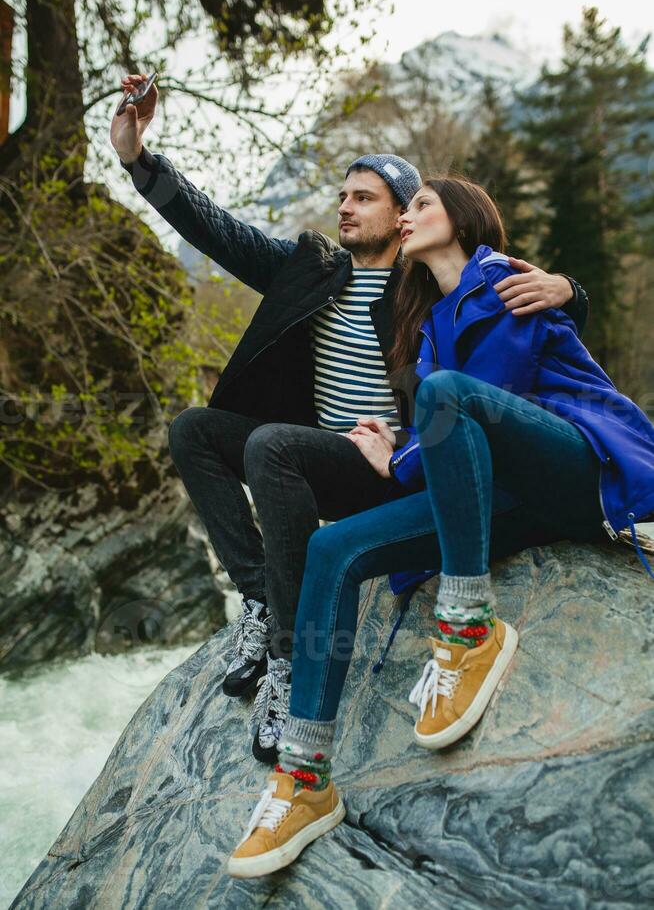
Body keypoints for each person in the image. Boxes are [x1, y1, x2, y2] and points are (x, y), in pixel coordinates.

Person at [111, 74, 587, 762]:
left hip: (393, 467)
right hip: (315, 457)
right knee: (193, 430)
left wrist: (572, 289)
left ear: (402, 215)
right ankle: (262, 601)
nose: (345, 207)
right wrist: (136, 159)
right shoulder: (309, 267)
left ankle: (288, 665)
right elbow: (213, 228)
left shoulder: (425, 280)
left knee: (272, 445)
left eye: (363, 197)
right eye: (341, 196)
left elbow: (528, 310)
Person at [226, 174, 654, 879]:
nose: (408, 216)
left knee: (448, 394)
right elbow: (448, 446)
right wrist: (398, 454)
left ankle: (467, 630)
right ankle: (303, 778)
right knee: (332, 547)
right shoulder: (428, 327)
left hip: (579, 466)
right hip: (500, 494)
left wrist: (402, 457)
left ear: (466, 218)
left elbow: (492, 399)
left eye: (422, 204)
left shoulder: (503, 282)